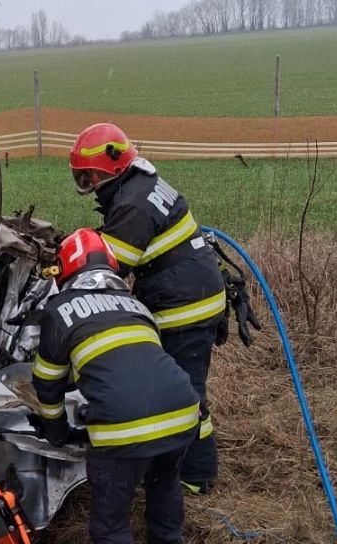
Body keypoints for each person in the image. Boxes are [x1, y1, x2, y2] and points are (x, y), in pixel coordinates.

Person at [68, 122, 244, 494]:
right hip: (191, 295)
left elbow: (111, 266)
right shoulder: (140, 185)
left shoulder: (132, 204)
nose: (90, 185)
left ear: (113, 166)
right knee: (178, 389)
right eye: (83, 178)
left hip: (186, 308)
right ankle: (177, 464)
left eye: (92, 176)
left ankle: (195, 477)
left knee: (186, 394)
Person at [32, 228, 201, 544]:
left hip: (123, 430)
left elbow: (47, 380)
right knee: (164, 485)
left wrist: (56, 430)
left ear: (64, 269)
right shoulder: (138, 307)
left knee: (111, 526)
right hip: (183, 413)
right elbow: (136, 366)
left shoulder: (59, 309)